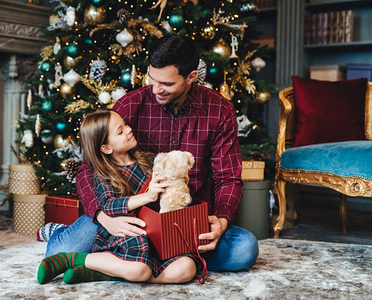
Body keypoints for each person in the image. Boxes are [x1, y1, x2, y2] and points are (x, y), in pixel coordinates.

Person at [44, 34, 259, 272]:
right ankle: (141, 255)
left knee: (244, 250)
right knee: (57, 253)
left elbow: (227, 178)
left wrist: (221, 220)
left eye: (166, 84)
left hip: (183, 216)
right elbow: (87, 169)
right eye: (152, 79)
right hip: (127, 214)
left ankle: (132, 260)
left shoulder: (220, 110)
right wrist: (105, 218)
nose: (156, 89)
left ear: (191, 77)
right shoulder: (128, 105)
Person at [37, 109, 199, 284]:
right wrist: (148, 196)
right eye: (120, 131)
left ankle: (104, 272)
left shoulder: (149, 161)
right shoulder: (103, 174)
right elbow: (108, 204)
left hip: (155, 237)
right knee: (140, 270)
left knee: (187, 269)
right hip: (126, 239)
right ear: (106, 148)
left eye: (126, 125)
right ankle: (74, 260)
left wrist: (177, 180)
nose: (129, 130)